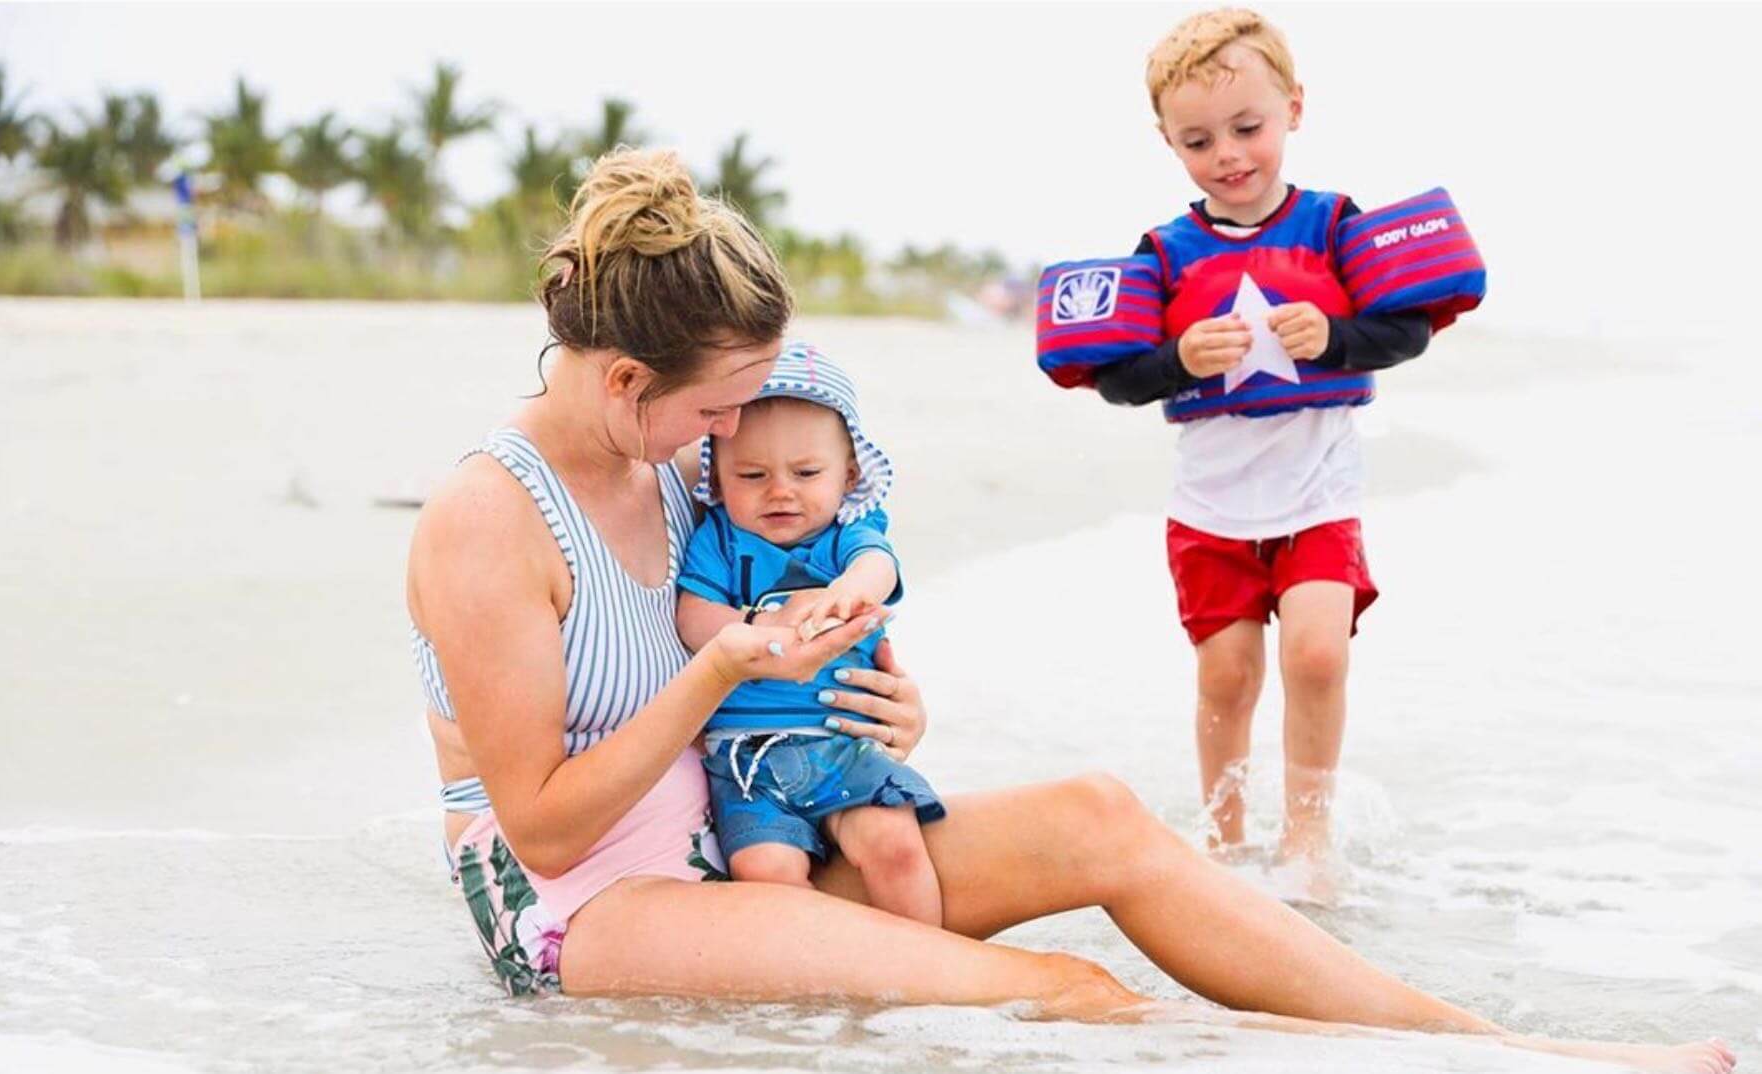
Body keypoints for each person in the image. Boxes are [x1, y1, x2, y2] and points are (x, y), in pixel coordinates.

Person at [404, 146, 1733, 1074]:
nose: (729, 436)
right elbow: (544, 815)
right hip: (586, 898)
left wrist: (876, 694)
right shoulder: (492, 516)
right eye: (712, 408)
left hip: (750, 806)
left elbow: (783, 625)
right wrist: (719, 672)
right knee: (1068, 996)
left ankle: (1486, 1045)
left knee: (1101, 810)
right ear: (626, 377)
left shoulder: (674, 454)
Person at [1092, 8, 1432, 867]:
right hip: (1211, 509)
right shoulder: (1162, 253)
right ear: (1169, 144)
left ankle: (1307, 836)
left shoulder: (1335, 224)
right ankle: (1225, 838)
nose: (1231, 155)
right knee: (1228, 676)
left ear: (1294, 109)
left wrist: (1339, 338)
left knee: (1317, 655)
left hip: (1318, 492)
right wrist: (1177, 357)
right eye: (1201, 140)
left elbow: (1408, 330)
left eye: (1249, 128)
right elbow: (1118, 377)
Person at [676, 342, 945, 925]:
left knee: (895, 845)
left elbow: (879, 567)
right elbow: (692, 616)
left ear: (849, 474)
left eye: (806, 473)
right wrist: (757, 624)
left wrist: (845, 592)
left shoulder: (849, 533)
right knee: (765, 871)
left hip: (843, 742)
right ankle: (812, 987)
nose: (780, 491)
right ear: (717, 480)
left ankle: (927, 968)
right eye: (751, 474)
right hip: (744, 757)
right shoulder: (721, 540)